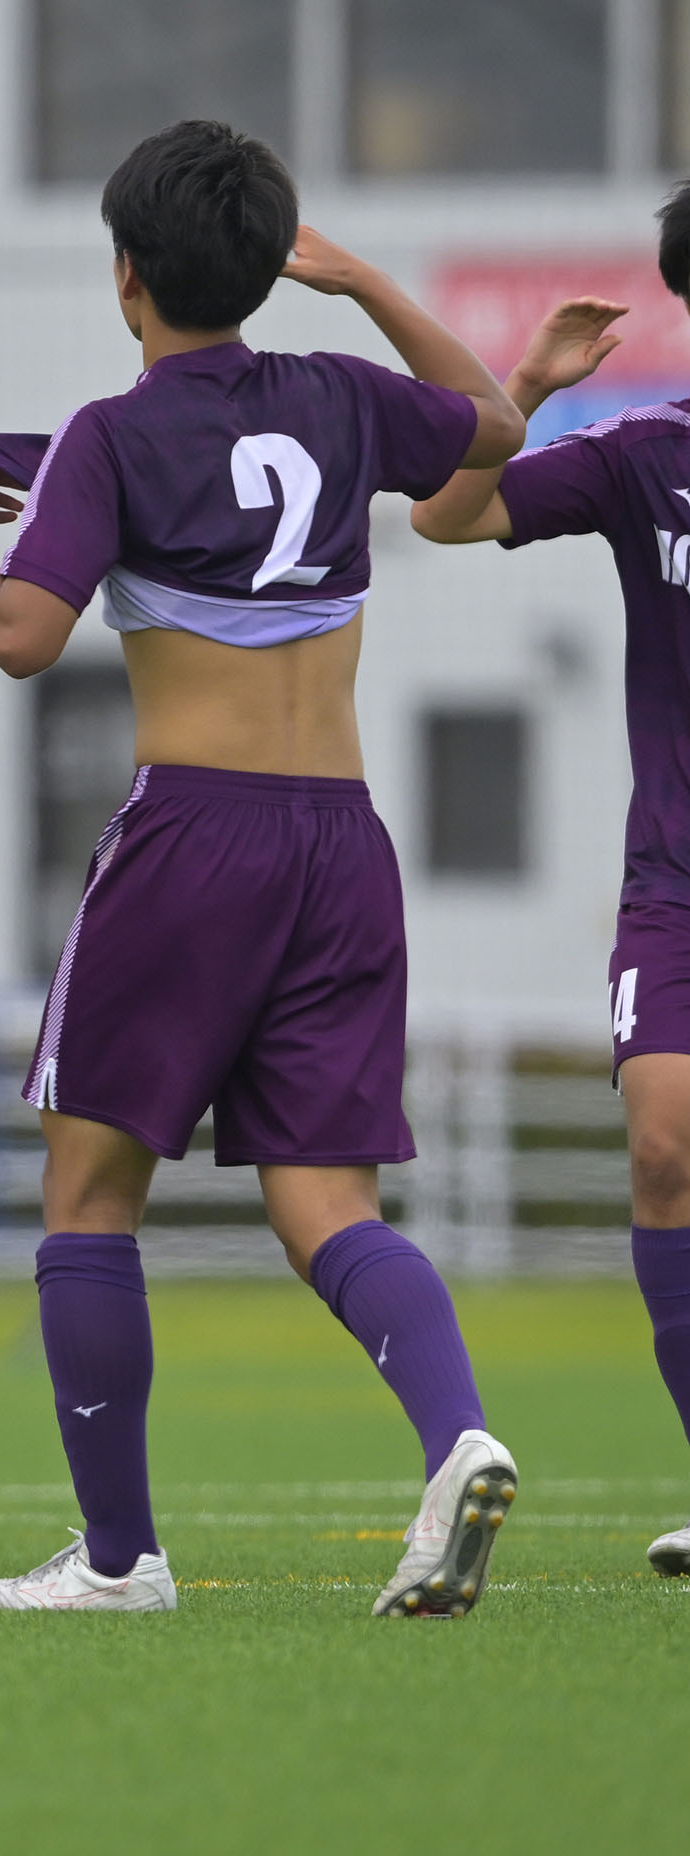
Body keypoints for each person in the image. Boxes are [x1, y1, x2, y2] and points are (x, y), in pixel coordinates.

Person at [0, 120, 528, 1616]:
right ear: (267, 264)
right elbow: (492, 425)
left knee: (88, 1197)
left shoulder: (110, 435)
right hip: (343, 841)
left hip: (192, 834)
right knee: (329, 1204)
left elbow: (20, 638)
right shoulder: (335, 397)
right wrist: (367, 283)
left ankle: (121, 1559)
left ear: (126, 277)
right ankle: (458, 1437)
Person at [404, 195, 690, 1579]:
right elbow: (446, 518)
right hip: (675, 880)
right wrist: (523, 387)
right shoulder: (647, 461)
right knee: (661, 1141)